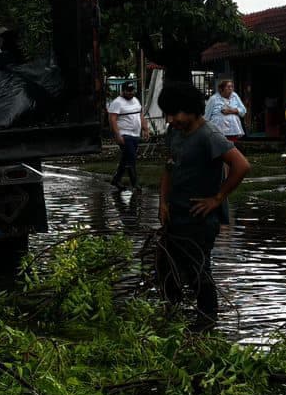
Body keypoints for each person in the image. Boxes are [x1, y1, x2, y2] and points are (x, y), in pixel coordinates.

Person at [156, 80, 250, 330]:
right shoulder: (174, 133)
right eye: (168, 114)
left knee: (198, 269)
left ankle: (207, 322)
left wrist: (217, 199)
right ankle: (173, 318)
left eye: (175, 113)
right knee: (167, 267)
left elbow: (241, 166)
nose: (171, 119)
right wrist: (163, 202)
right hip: (175, 213)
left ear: (191, 109)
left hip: (200, 218)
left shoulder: (209, 135)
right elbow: (168, 167)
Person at [107, 79, 144, 191]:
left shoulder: (136, 100)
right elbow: (112, 119)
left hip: (135, 134)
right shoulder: (117, 102)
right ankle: (135, 183)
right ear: (123, 91)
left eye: (132, 91)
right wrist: (117, 135)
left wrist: (146, 128)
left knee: (126, 158)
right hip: (124, 134)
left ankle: (116, 180)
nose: (130, 93)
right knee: (131, 158)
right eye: (128, 91)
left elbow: (140, 114)